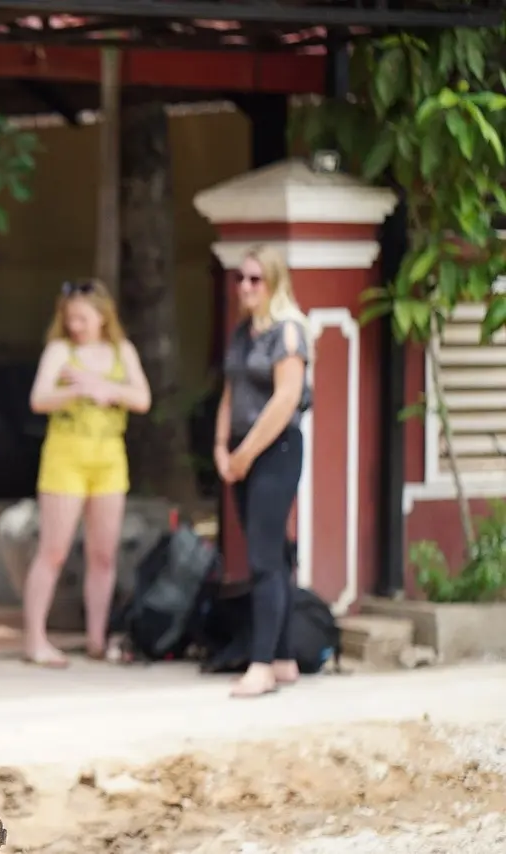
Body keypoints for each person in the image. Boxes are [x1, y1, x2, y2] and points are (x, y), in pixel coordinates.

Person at [21, 279, 152, 667]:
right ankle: (35, 639)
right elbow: (39, 399)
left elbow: (141, 398)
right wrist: (77, 391)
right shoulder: (60, 350)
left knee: (103, 554)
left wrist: (101, 385)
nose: (75, 324)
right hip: (66, 456)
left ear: (101, 315)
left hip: (109, 457)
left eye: (82, 317)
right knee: (54, 550)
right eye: (69, 318)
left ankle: (97, 637)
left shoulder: (120, 351)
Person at [214, 244, 311, 698]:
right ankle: (285, 656)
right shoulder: (243, 332)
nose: (246, 286)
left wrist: (247, 452)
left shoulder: (288, 332)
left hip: (276, 450)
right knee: (273, 551)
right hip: (242, 452)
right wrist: (221, 446)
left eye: (256, 279)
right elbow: (231, 392)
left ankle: (262, 665)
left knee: (264, 558)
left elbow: (285, 400)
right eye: (242, 278)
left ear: (274, 282)